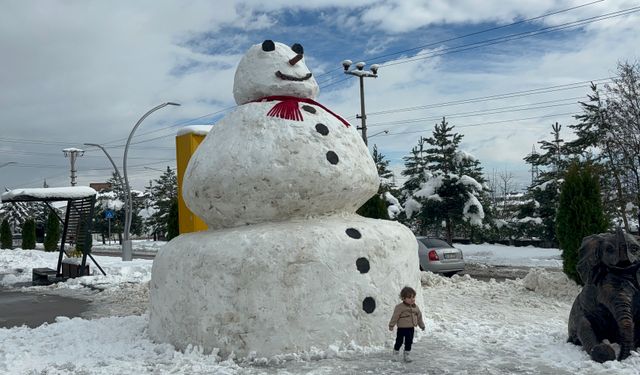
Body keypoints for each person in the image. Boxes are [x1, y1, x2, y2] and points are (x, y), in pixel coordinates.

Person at [388, 286, 425, 362]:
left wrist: (422, 325)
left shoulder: (416, 308)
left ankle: (406, 355)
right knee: (399, 341)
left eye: (413, 297)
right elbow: (395, 316)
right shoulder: (400, 307)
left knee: (409, 341)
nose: (412, 299)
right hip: (402, 328)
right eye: (409, 298)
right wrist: (391, 325)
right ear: (403, 298)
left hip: (411, 328)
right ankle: (395, 353)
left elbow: (419, 317)